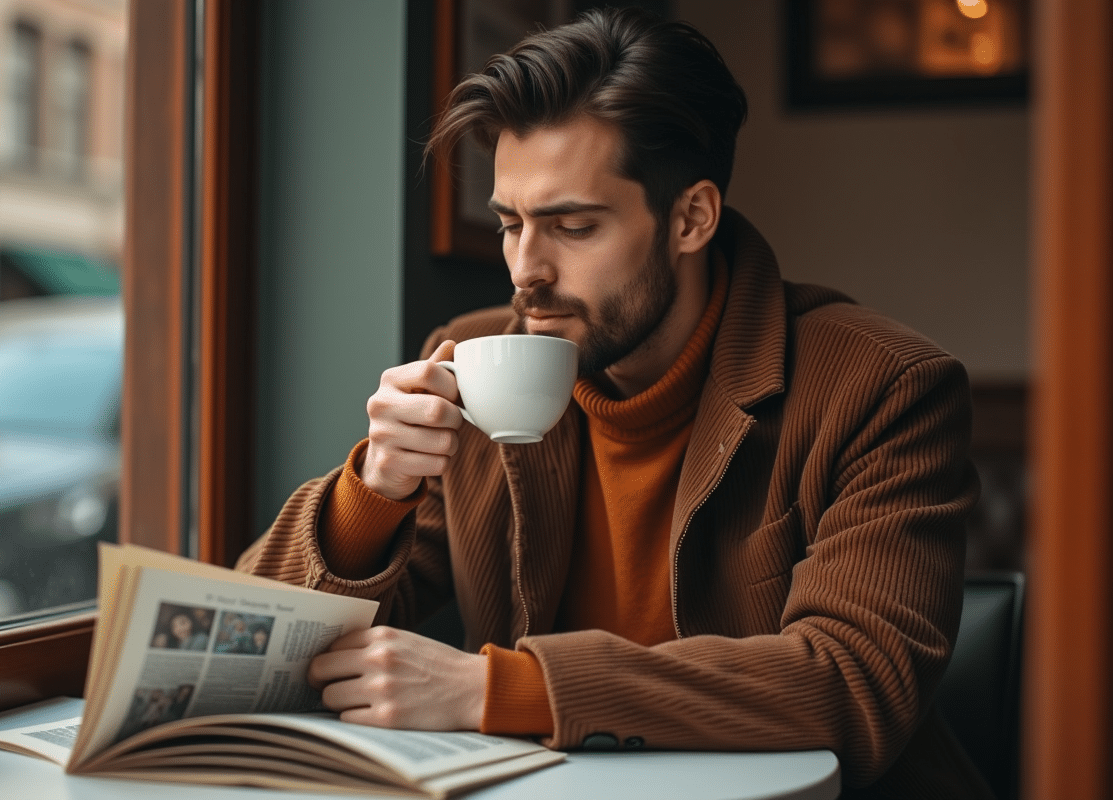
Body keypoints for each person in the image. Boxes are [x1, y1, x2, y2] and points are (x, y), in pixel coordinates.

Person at [237, 8, 986, 798]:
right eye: (511, 224)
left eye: (572, 226)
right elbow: (249, 646)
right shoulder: (470, 362)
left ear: (691, 218)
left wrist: (504, 690)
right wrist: (372, 494)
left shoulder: (883, 387)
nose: (525, 270)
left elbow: (853, 680)